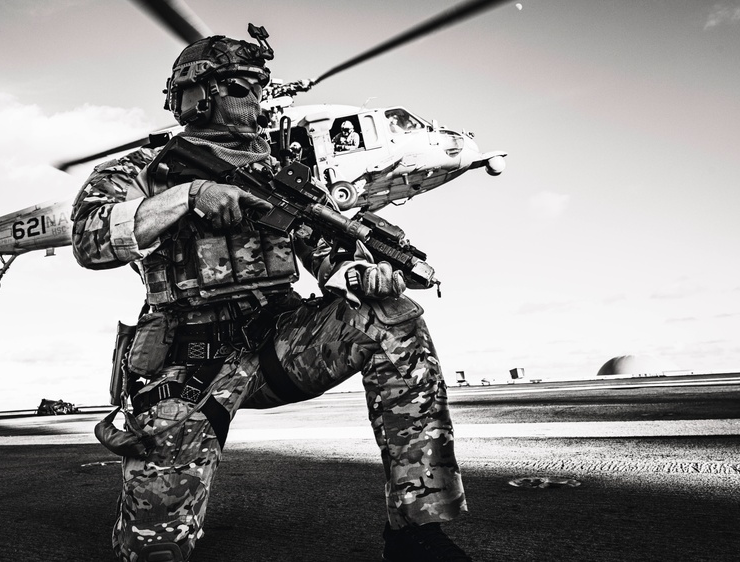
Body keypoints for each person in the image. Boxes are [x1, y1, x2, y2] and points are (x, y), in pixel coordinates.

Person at [71, 27, 469, 562]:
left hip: (278, 345)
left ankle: (417, 530)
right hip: (188, 364)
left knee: (390, 316)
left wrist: (358, 273)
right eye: (238, 85)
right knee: (153, 552)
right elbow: (90, 241)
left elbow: (328, 251)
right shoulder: (144, 171)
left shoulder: (285, 174)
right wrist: (190, 197)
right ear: (195, 94)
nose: (253, 99)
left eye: (258, 87)